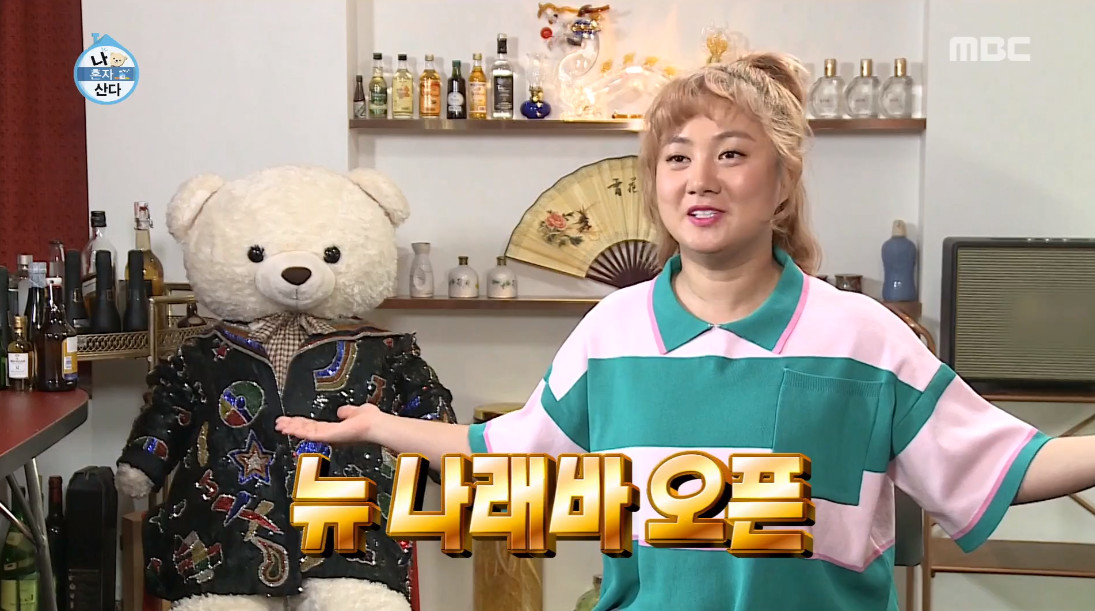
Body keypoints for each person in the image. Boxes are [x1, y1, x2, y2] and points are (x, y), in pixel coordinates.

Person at [277, 51, 1095, 610]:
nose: (700, 178)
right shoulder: (611, 330)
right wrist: (380, 426)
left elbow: (1006, 462)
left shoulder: (864, 335)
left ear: (782, 182)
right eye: (676, 157)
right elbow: (509, 450)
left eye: (731, 154)